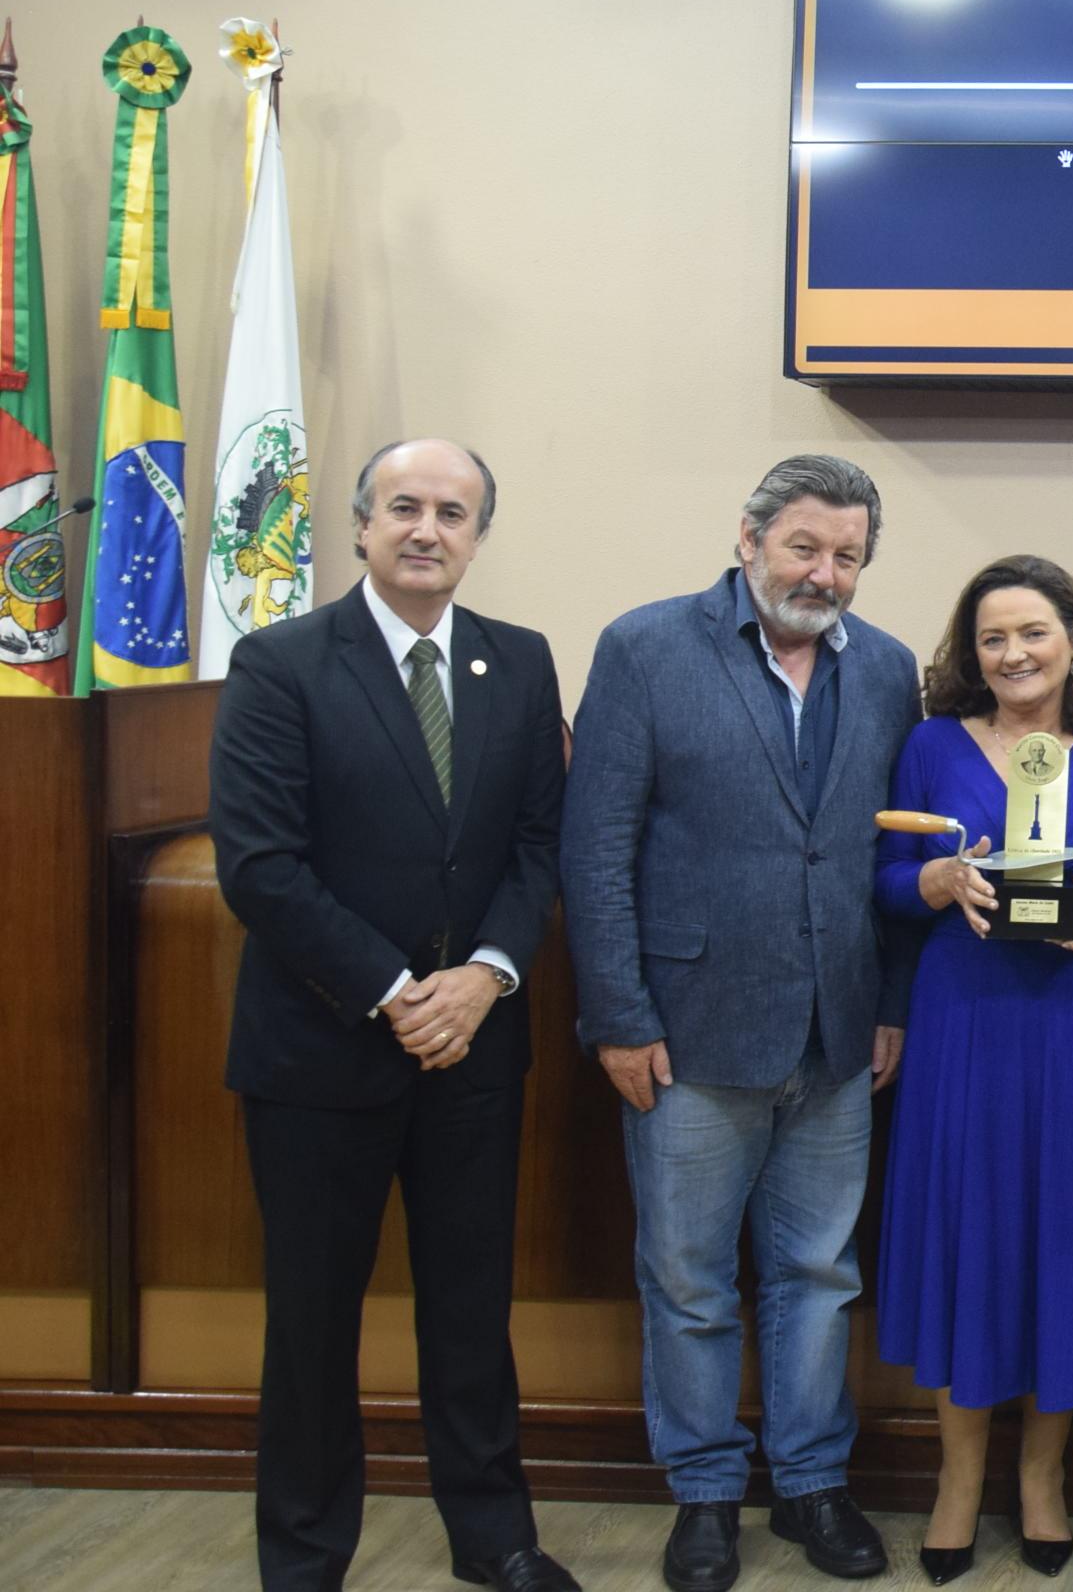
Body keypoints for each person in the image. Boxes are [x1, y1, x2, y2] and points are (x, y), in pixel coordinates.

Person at [207, 440, 577, 1592]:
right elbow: (260, 865)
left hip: (475, 1044)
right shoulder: (281, 661)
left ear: (478, 535)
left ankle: (496, 1537)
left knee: (472, 1310)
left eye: (453, 511)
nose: (428, 528)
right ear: (360, 525)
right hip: (322, 1049)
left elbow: (535, 844)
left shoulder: (519, 663)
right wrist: (396, 991)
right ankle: (306, 1554)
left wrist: (487, 973)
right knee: (312, 1321)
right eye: (404, 507)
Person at [562, 455, 922, 1592]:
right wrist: (619, 1013)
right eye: (805, 546)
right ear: (750, 538)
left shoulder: (888, 669)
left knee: (819, 1272)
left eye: (848, 555)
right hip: (687, 1026)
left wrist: (892, 1006)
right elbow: (596, 847)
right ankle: (706, 1490)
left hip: (838, 1031)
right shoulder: (648, 646)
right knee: (688, 1276)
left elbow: (892, 851)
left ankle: (812, 1481)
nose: (825, 571)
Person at [875, 555, 1073, 1585]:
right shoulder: (927, 743)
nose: (1012, 653)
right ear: (971, 650)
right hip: (965, 1019)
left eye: (1033, 632)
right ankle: (958, 1479)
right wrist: (935, 873)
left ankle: (1042, 1476)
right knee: (972, 1231)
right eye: (992, 636)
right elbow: (884, 873)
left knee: (1063, 1233)